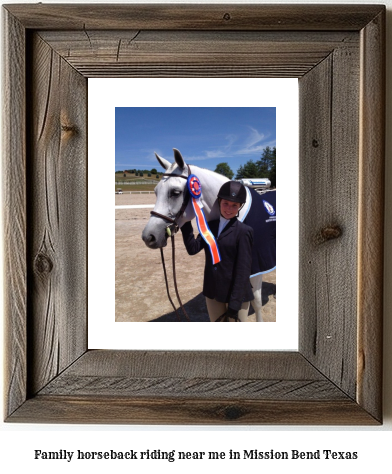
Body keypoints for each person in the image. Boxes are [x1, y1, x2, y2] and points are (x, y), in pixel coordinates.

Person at [180, 181, 254, 322]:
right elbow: (193, 248)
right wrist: (186, 221)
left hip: (236, 295)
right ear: (219, 201)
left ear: (240, 207)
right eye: (226, 203)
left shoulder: (244, 231)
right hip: (213, 291)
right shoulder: (209, 227)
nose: (229, 208)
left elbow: (243, 270)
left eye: (234, 205)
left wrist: (235, 304)